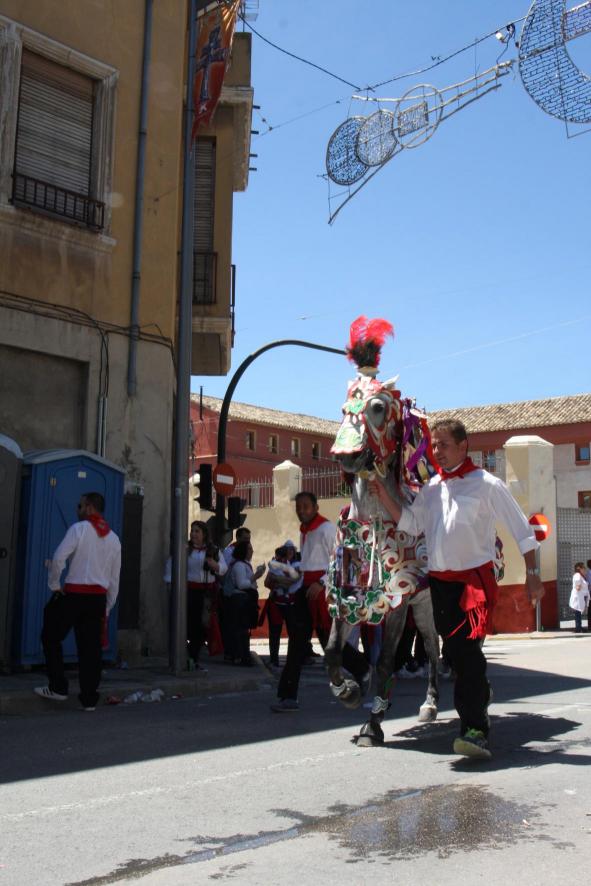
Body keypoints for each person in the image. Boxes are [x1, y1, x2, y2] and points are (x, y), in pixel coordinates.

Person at [370, 418, 544, 759]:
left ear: (464, 446)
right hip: (440, 583)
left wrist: (533, 574)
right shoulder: (432, 488)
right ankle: (480, 692)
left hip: (473, 582)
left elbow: (522, 531)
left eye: (444, 445)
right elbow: (411, 524)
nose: (437, 451)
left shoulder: (487, 485)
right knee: (454, 653)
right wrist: (384, 496)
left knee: (464, 652)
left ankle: (474, 729)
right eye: (434, 445)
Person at [271, 491, 370, 713]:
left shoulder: (326, 528)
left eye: (306, 506)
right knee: (297, 643)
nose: (301, 510)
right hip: (306, 590)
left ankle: (362, 668)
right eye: (298, 507)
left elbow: (341, 558)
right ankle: (288, 696)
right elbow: (309, 564)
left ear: (316, 507)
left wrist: (322, 582)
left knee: (329, 642)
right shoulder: (305, 530)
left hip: (323, 591)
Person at [34, 492, 121, 711]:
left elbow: (58, 558)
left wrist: (55, 585)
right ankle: (89, 699)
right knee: (91, 649)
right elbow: (114, 579)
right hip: (97, 599)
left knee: (50, 636)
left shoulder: (79, 529)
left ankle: (58, 687)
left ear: (89, 507)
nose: (77, 509)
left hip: (74, 594)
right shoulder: (113, 538)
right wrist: (107, 606)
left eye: (80, 505)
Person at [164, 520, 227, 669]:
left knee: (203, 626)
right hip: (188, 592)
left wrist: (215, 566)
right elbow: (171, 565)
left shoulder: (213, 550)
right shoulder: (185, 549)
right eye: (192, 531)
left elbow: (224, 568)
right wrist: (170, 583)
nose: (193, 534)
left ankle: (193, 657)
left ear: (204, 534)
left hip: (206, 594)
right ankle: (188, 656)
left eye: (197, 531)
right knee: (188, 624)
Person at [224, 539, 265, 665]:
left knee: (244, 629)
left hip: (245, 601)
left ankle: (243, 655)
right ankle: (240, 655)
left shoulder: (245, 564)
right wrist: (256, 576)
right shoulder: (239, 566)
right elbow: (242, 584)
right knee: (240, 629)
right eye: (249, 549)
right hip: (240, 601)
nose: (252, 551)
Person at [263, 540, 302, 668]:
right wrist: (279, 581)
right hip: (277, 602)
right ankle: (274, 659)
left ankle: (293, 660)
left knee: (293, 633)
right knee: (274, 633)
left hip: (290, 603)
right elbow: (267, 583)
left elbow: (292, 581)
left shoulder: (295, 566)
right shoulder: (275, 566)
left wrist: (277, 580)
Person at [569, 562, 590, 633]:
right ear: (579, 569)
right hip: (577, 597)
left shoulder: (580, 576)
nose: (584, 569)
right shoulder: (577, 575)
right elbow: (578, 587)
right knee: (577, 612)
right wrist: (580, 587)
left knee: (578, 613)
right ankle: (578, 628)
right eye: (583, 568)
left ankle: (579, 627)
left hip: (579, 597)